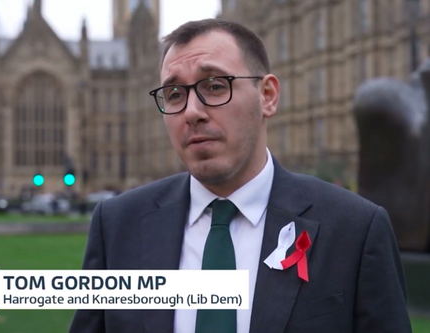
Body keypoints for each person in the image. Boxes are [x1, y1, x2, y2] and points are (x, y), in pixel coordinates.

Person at [69, 19, 412, 333]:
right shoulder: (116, 226)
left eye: (215, 86)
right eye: (174, 94)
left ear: (267, 96)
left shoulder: (356, 230)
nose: (191, 112)